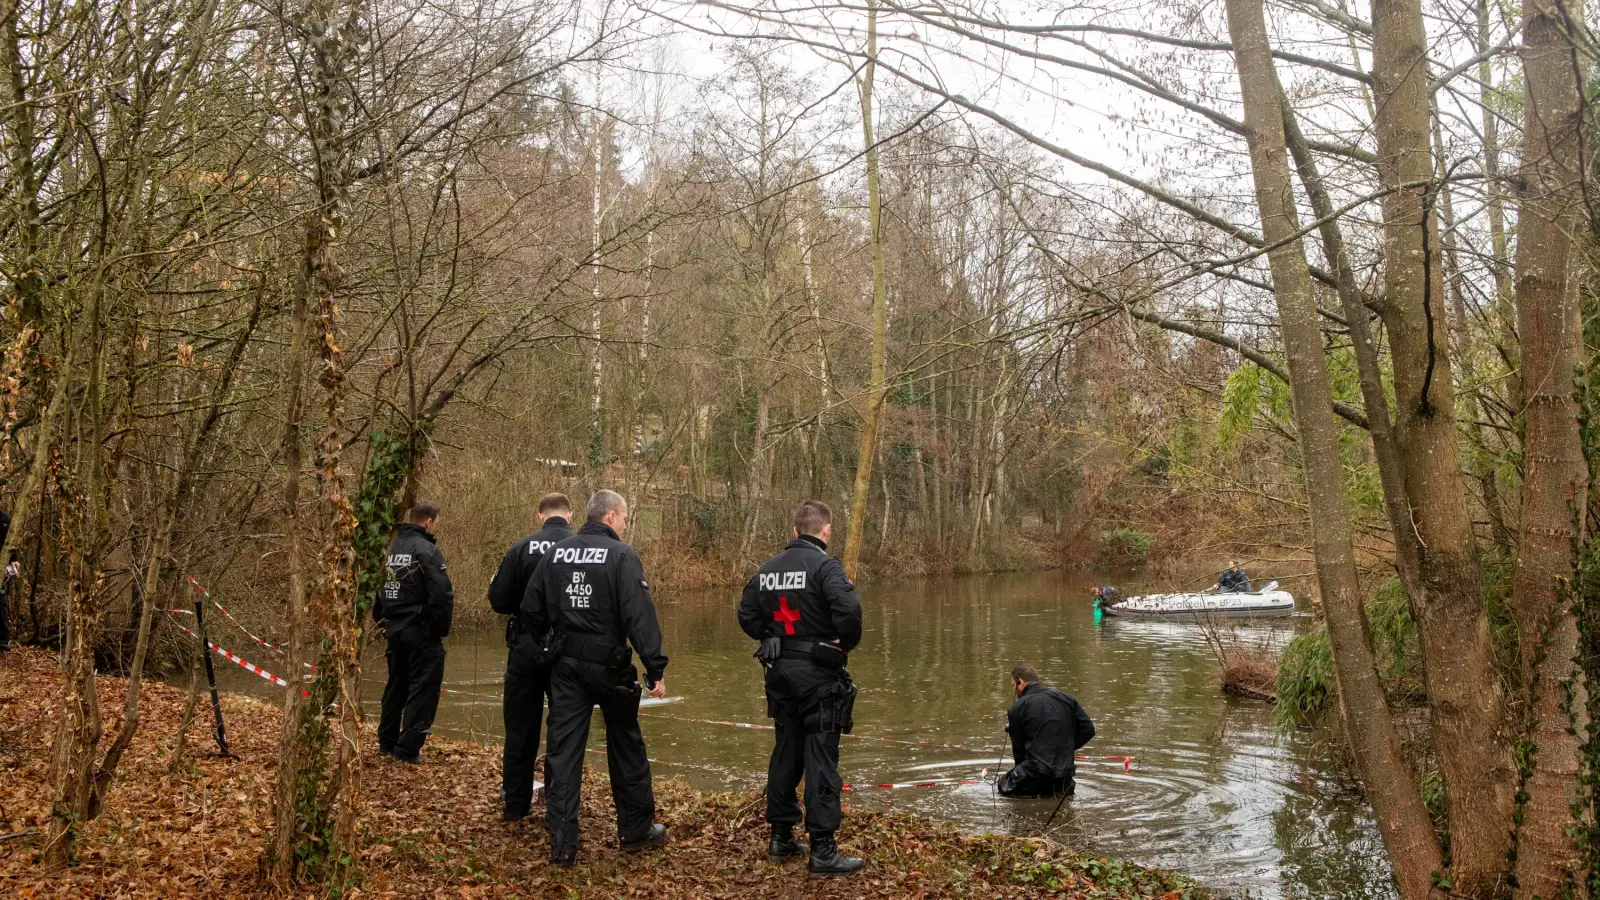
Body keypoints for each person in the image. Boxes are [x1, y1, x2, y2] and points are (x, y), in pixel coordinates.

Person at [522, 489, 669, 866]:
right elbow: (639, 616)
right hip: (609, 666)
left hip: (566, 665)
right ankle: (635, 831)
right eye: (624, 518)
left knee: (563, 751)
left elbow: (531, 608)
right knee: (626, 745)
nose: (625, 525)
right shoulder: (622, 555)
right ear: (610, 517)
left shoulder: (556, 553)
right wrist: (655, 667)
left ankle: (562, 844)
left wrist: (548, 645)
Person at [737, 500, 865, 877]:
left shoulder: (767, 569)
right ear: (826, 531)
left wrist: (769, 634)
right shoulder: (826, 567)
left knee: (786, 751)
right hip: (817, 674)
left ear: (795, 531)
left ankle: (780, 838)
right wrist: (844, 644)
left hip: (779, 673)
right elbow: (850, 613)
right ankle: (822, 849)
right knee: (821, 755)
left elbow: (746, 614)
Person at [488, 492, 574, 821]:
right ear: (570, 515)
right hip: (567, 649)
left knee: (520, 728)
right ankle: (559, 805)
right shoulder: (581, 549)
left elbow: (498, 599)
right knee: (563, 729)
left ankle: (516, 803)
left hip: (525, 646)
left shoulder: (521, 548)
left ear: (540, 516)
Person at [374, 501, 455, 763]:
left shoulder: (392, 548)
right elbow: (442, 594)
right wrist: (440, 629)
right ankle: (408, 748)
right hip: (420, 628)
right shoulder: (427, 550)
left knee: (396, 685)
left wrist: (382, 621)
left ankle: (386, 741)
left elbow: (380, 589)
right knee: (424, 689)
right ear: (428, 522)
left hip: (394, 628)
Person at [998, 664, 1095, 798]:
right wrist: (1063, 749)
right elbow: (1088, 730)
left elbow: (1018, 751)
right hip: (1065, 774)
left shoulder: (1018, 707)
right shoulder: (1066, 698)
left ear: (1019, 681)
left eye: (1014, 685)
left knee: (1003, 786)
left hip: (1034, 772)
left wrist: (1018, 775)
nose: (1015, 690)